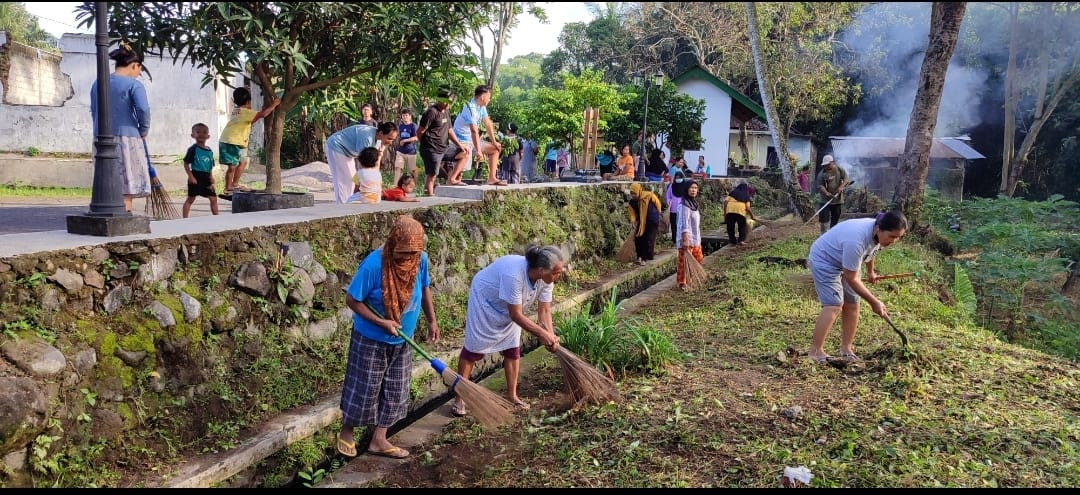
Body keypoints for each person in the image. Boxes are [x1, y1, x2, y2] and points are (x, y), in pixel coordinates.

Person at [337, 215, 439, 459]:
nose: (407, 259)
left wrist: (432, 320)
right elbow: (352, 299)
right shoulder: (374, 265)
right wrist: (381, 322)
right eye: (403, 253)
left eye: (413, 253)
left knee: (396, 388)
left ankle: (379, 439)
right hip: (371, 337)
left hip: (403, 338)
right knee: (364, 386)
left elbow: (424, 289)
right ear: (393, 243)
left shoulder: (420, 260)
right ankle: (347, 431)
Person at [451, 245, 565, 416]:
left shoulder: (546, 280)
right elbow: (516, 315)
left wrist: (551, 335)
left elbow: (545, 311)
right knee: (473, 350)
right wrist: (542, 334)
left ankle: (512, 396)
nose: (557, 277)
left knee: (512, 349)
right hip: (486, 301)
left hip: (511, 307)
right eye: (556, 273)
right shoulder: (514, 275)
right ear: (541, 270)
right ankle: (459, 398)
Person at [807, 210, 908, 363]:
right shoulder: (856, 240)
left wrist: (870, 272)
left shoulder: (876, 234)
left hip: (845, 260)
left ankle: (847, 349)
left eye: (898, 237)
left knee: (853, 303)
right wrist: (874, 302)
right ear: (879, 228)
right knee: (834, 305)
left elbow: (871, 251)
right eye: (892, 236)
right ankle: (815, 351)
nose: (894, 241)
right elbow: (851, 277)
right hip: (824, 260)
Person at [89, 41, 152, 213]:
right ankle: (125, 215)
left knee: (107, 181)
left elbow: (94, 109)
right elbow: (143, 109)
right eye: (139, 69)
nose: (139, 74)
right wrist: (144, 129)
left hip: (100, 138)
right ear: (133, 65)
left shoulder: (98, 83)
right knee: (127, 182)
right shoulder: (134, 85)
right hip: (127, 137)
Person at [219, 87, 280, 195]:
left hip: (239, 142)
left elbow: (255, 118)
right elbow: (263, 114)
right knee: (232, 166)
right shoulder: (245, 112)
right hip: (231, 141)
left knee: (243, 162)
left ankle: (235, 184)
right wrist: (274, 104)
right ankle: (228, 188)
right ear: (248, 102)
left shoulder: (237, 111)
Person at [325, 122, 398, 204]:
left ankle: (346, 204)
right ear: (381, 133)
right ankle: (342, 207)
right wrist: (366, 181)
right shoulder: (367, 138)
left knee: (352, 180)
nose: (391, 142)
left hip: (348, 152)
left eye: (393, 140)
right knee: (344, 180)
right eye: (389, 138)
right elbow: (363, 162)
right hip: (336, 146)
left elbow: (375, 161)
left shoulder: (379, 140)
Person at [448, 85, 505, 186]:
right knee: (460, 172)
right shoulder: (470, 107)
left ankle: (492, 178)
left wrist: (494, 141)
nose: (489, 99)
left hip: (472, 140)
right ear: (483, 96)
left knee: (494, 149)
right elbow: (474, 131)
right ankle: (450, 182)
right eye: (489, 97)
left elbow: (487, 123)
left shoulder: (481, 107)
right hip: (461, 141)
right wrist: (479, 151)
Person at [416, 87, 466, 196]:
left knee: (464, 153)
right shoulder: (431, 112)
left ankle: (451, 179)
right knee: (432, 175)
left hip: (445, 147)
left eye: (451, 102)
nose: (449, 104)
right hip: (431, 149)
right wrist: (425, 145)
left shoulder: (446, 112)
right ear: (440, 99)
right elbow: (420, 131)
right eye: (447, 101)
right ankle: (429, 196)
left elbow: (449, 130)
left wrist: (459, 145)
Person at [181, 123, 219, 218]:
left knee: (213, 198)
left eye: (204, 132)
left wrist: (211, 176)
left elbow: (210, 165)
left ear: (208, 136)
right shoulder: (193, 149)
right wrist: (191, 176)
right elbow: (186, 164)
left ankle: (217, 218)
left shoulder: (209, 150)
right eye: (198, 132)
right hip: (195, 176)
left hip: (206, 177)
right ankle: (185, 220)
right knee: (191, 199)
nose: (201, 134)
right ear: (193, 135)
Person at [676, 180, 703, 291]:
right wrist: (685, 239)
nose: (693, 190)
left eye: (695, 188)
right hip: (687, 239)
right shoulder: (684, 205)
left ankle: (691, 280)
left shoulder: (693, 204)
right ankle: (683, 284)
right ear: (686, 189)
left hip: (696, 238)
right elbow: (683, 223)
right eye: (691, 188)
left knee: (698, 259)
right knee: (684, 263)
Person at [627, 183, 662, 265]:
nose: (633, 195)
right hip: (642, 222)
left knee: (648, 239)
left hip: (652, 220)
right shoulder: (632, 202)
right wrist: (632, 221)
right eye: (631, 193)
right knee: (638, 238)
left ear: (639, 191)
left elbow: (658, 204)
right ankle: (639, 256)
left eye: (634, 193)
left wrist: (658, 213)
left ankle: (644, 258)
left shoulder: (649, 195)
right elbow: (632, 213)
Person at [816, 154, 850, 234]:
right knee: (824, 218)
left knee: (835, 217)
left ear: (832, 162)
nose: (826, 166)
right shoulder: (822, 174)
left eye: (828, 164)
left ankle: (832, 233)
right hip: (825, 199)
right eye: (825, 165)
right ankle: (823, 234)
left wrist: (841, 187)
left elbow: (846, 179)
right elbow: (820, 185)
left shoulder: (839, 169)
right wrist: (826, 193)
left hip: (837, 199)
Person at [393, 108, 419, 187]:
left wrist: (405, 140)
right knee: (398, 168)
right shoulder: (400, 126)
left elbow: (416, 137)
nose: (405, 117)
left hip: (411, 151)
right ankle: (395, 186)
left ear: (410, 116)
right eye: (403, 115)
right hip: (400, 151)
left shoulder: (413, 126)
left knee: (413, 170)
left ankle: (415, 185)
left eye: (406, 115)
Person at [665, 171, 688, 245]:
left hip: (683, 209)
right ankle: (674, 240)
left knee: (681, 225)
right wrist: (669, 202)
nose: (678, 179)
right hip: (673, 209)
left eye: (679, 178)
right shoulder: (672, 186)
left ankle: (681, 239)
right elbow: (668, 196)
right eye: (677, 178)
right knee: (674, 225)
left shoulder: (685, 186)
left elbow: (688, 196)